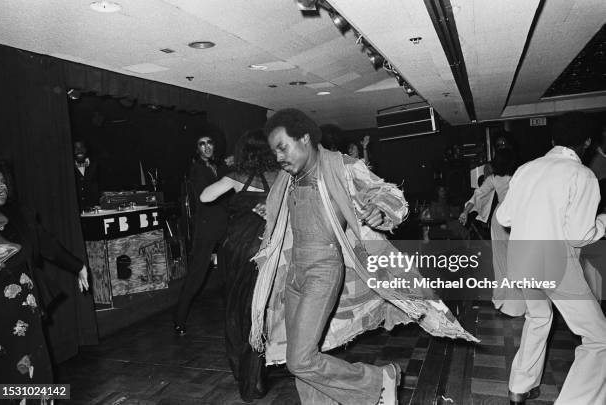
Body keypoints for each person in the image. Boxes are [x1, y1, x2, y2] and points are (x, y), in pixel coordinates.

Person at [251, 108, 476, 405]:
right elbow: (288, 213)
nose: (279, 157)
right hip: (295, 274)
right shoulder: (287, 177)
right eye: (275, 151)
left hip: (324, 271)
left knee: (299, 360)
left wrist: (381, 210)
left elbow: (389, 195)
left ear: (305, 138)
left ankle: (379, 382)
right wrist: (272, 211)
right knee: (304, 362)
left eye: (283, 147)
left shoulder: (342, 167)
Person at [496, 112, 606, 405]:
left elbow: (503, 216)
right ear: (587, 143)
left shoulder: (526, 169)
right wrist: (604, 222)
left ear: (554, 140)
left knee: (538, 317)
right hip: (555, 265)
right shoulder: (583, 175)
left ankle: (520, 386)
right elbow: (580, 234)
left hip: (521, 262)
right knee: (600, 339)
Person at [0, 159, 89, 402]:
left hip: (24, 309)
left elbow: (48, 245)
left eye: (3, 182)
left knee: (34, 369)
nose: (1, 186)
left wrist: (78, 266)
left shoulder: (19, 216)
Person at [200, 130, 278, 402]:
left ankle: (250, 377)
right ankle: (263, 371)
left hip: (240, 252)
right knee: (265, 309)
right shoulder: (280, 176)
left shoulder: (237, 177)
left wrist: (230, 171)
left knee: (240, 312)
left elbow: (205, 197)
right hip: (270, 250)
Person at [459, 149, 525, 316]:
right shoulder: (520, 176)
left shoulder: (493, 178)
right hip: (517, 219)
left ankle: (502, 299)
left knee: (501, 261)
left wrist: (465, 211)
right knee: (517, 261)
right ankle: (516, 305)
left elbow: (478, 194)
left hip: (500, 219)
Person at [173, 134, 228, 336]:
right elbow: (208, 197)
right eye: (201, 144)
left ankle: (233, 317)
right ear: (197, 148)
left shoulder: (218, 166)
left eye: (210, 142)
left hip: (224, 225)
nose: (206, 147)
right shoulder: (197, 169)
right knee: (197, 275)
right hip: (207, 227)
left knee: (228, 271)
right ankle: (179, 319)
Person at [73, 140, 100, 210]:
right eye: (76, 148)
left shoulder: (95, 166)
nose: (79, 150)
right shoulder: (68, 169)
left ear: (86, 149)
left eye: (82, 147)